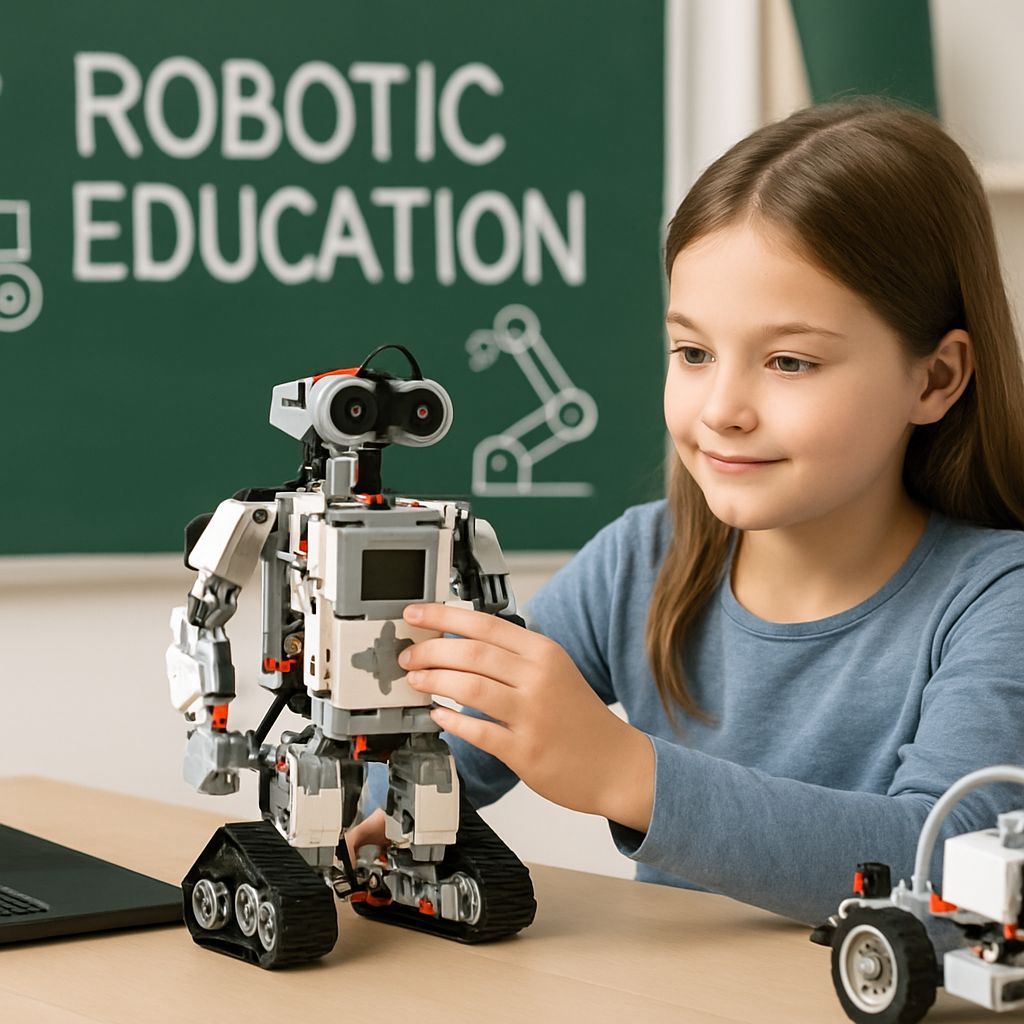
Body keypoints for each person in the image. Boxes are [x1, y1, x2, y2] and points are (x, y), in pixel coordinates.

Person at [347, 99, 1024, 927]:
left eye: (789, 360)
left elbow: (952, 863)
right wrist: (360, 785)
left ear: (936, 379)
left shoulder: (998, 599)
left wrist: (628, 773)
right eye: (693, 352)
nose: (723, 409)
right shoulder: (639, 563)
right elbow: (422, 776)